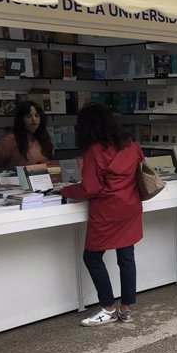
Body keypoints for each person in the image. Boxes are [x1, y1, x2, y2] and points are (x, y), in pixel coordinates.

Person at [61, 104, 145, 326]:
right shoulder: (131, 145)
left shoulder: (95, 151)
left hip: (106, 211)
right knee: (126, 257)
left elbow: (90, 188)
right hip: (130, 207)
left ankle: (107, 307)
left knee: (92, 256)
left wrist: (64, 190)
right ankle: (126, 309)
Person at [0, 101, 54, 169]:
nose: (34, 119)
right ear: (21, 119)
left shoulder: (44, 137)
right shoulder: (9, 140)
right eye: (29, 116)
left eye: (37, 116)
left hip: (41, 178)